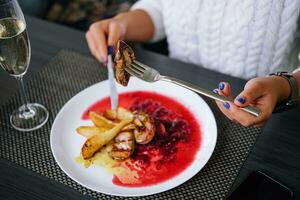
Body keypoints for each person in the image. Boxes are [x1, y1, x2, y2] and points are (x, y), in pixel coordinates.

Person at [85, 0, 300, 126]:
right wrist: (121, 24)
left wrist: (284, 86)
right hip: (179, 90)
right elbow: (160, 9)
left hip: (271, 111)